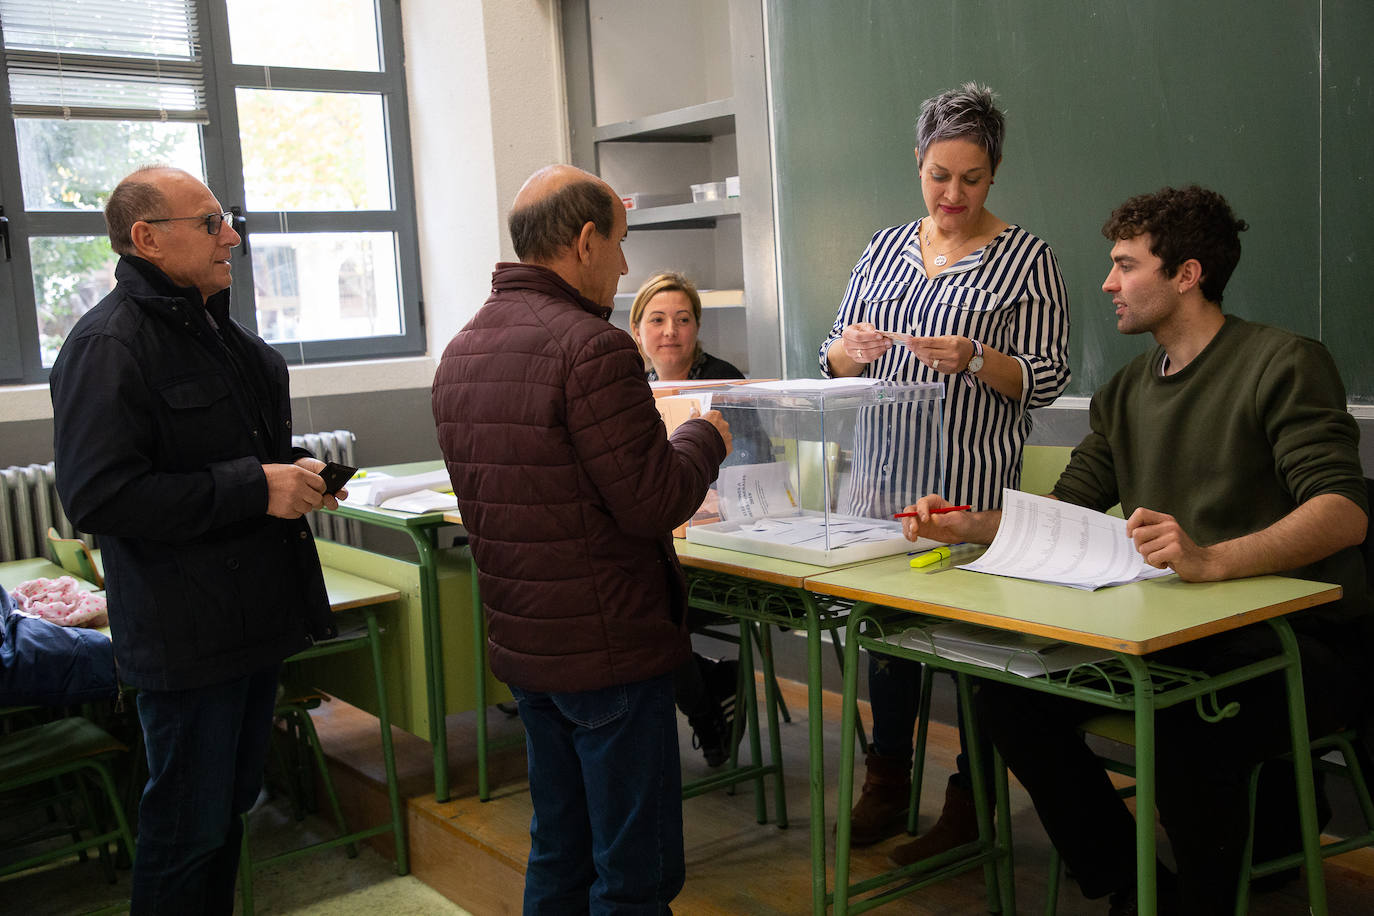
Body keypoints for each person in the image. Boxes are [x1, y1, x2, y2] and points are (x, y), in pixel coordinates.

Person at [903, 185, 1370, 913]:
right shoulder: (1124, 391)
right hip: (1174, 635)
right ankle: (1128, 881)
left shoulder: (1285, 363)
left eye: (1125, 265)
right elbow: (1063, 509)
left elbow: (1342, 513)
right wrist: (969, 526)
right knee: (1005, 694)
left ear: (1186, 274)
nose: (1108, 283)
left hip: (1295, 642)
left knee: (1184, 721)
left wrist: (1211, 559)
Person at [431, 165, 732, 913]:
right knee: (635, 874)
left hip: (530, 650)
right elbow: (652, 499)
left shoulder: (463, 348)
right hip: (608, 652)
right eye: (622, 244)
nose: (626, 267)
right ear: (587, 239)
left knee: (560, 850)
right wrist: (703, 436)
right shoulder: (593, 350)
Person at [49, 166, 341, 914]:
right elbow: (98, 494)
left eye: (228, 220)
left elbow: (225, 451)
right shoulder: (108, 344)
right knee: (185, 833)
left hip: (250, 623)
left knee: (223, 820)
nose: (232, 238)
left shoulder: (217, 332)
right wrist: (256, 486)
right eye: (210, 223)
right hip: (187, 639)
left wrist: (291, 471)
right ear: (147, 238)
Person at [819, 82, 1071, 861]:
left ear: (993, 173)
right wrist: (847, 352)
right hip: (877, 491)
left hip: (967, 497)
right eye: (938, 175)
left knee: (973, 658)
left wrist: (976, 357)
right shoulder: (882, 248)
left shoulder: (1026, 258)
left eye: (970, 178)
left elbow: (1049, 377)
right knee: (887, 648)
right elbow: (826, 359)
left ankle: (970, 802)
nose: (952, 193)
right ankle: (887, 783)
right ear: (918, 167)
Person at [628, 270, 762, 768]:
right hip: (665, 539)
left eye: (683, 320)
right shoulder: (630, 387)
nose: (670, 331)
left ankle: (703, 705)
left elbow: (751, 465)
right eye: (658, 320)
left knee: (653, 617)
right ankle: (706, 686)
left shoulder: (724, 381)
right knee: (640, 612)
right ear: (637, 330)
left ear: (697, 328)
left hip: (725, 541)